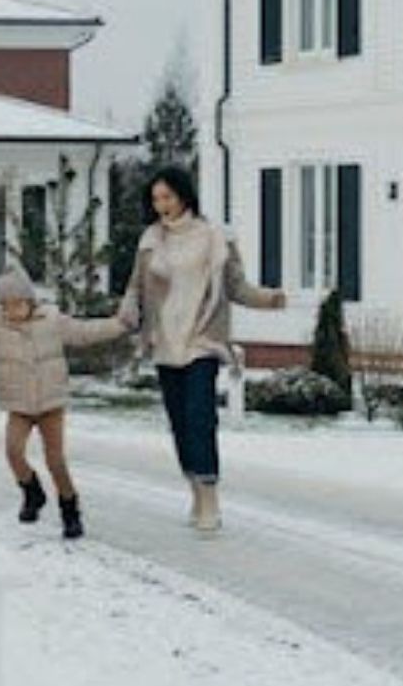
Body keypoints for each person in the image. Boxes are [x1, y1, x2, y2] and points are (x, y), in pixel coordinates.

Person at [117, 166, 287, 535]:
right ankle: (195, 489)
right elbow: (135, 286)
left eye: (168, 197)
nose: (162, 205)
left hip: (202, 340)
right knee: (179, 423)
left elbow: (236, 287)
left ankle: (210, 496)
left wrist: (271, 299)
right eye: (156, 199)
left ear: (184, 196)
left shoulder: (214, 237)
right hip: (165, 342)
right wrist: (128, 311)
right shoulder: (150, 240)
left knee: (200, 418)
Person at [0, 267, 128, 539]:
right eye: (6, 306)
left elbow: (84, 332)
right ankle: (32, 492)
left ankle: (70, 510)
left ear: (30, 300)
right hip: (19, 405)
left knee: (55, 461)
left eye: (18, 304)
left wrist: (119, 324)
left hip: (50, 403)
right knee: (13, 452)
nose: (13, 311)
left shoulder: (52, 320)